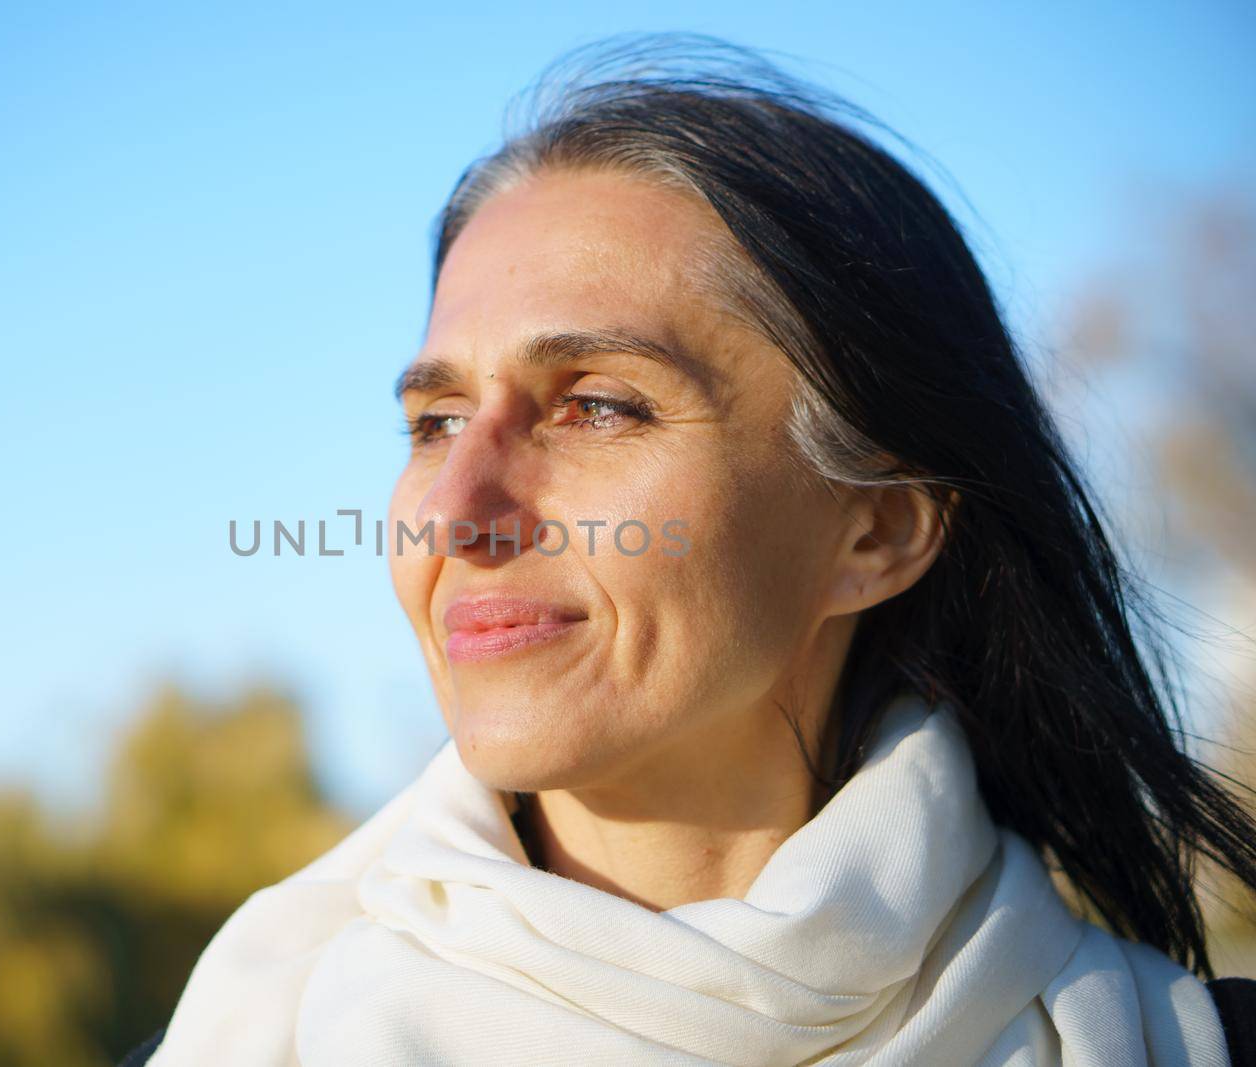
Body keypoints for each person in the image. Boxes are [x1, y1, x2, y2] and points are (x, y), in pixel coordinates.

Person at [135, 32, 1256, 1065]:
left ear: (877, 528)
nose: (454, 512)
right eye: (434, 422)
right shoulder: (248, 1027)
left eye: (598, 406)